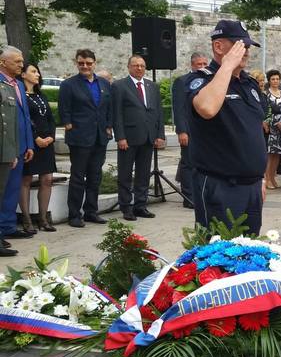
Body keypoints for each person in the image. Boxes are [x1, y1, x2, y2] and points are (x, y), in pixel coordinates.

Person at [187, 19, 267, 234]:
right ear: (219, 46)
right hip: (220, 186)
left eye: (248, 47)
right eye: (240, 45)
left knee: (249, 254)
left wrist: (259, 177)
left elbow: (254, 129)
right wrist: (228, 65)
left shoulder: (249, 84)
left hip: (251, 186)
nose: (246, 51)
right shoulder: (200, 80)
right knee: (218, 256)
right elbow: (207, 108)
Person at [58, 49, 113, 228]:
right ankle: (74, 214)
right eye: (81, 63)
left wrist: (108, 126)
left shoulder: (103, 83)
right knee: (78, 176)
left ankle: (91, 211)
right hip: (79, 137)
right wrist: (68, 125)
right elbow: (64, 108)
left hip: (100, 136)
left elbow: (108, 108)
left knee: (95, 176)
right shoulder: (69, 84)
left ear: (94, 63)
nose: (85, 66)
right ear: (77, 63)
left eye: (88, 63)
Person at [111, 55, 165, 221]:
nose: (139, 68)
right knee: (125, 174)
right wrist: (120, 137)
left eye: (142, 65)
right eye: (135, 65)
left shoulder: (152, 86)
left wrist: (159, 134)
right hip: (128, 138)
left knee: (143, 174)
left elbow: (158, 112)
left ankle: (140, 205)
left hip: (148, 137)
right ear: (129, 67)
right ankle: (126, 207)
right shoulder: (120, 86)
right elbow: (117, 113)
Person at [19, 62, 57, 233]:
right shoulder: (20, 95)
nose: (37, 75)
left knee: (47, 179)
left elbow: (50, 119)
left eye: (38, 72)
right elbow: (25, 120)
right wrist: (36, 138)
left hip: (46, 143)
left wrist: (51, 137)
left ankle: (43, 219)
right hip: (30, 143)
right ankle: (27, 220)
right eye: (33, 71)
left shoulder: (41, 96)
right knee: (26, 179)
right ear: (23, 75)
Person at [0, 48, 33, 241]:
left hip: (20, 145)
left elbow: (25, 117)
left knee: (12, 188)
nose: (22, 65)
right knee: (2, 189)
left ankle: (8, 225)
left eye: (22, 61)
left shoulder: (19, 85)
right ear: (3, 62)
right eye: (17, 62)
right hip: (5, 147)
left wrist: (29, 144)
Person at [172, 52, 209, 208]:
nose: (202, 67)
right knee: (188, 163)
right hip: (189, 129)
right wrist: (182, 131)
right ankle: (188, 196)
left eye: (204, 64)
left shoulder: (210, 80)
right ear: (192, 65)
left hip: (207, 131)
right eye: (199, 64)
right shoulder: (182, 81)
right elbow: (179, 108)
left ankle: (202, 193)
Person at [264, 69, 281, 189]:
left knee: (278, 154)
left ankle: (273, 177)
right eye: (273, 79)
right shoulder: (266, 94)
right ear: (269, 80)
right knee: (270, 154)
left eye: (277, 79)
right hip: (271, 127)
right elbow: (266, 111)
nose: (275, 81)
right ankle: (267, 178)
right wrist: (273, 122)